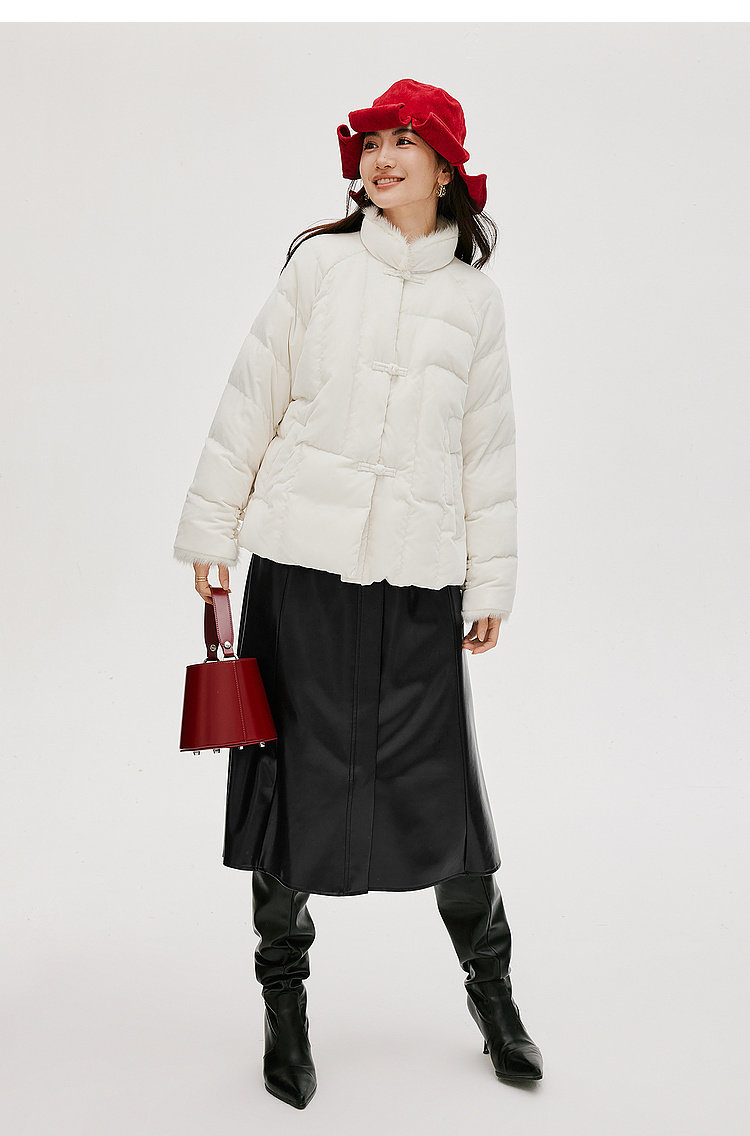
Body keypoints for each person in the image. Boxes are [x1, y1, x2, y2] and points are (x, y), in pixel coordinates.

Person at [173, 78, 542, 1109]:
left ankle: (494, 994)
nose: (381, 159)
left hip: (418, 581)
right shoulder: (321, 268)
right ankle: (284, 1004)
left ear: (445, 170)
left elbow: (487, 450)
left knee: (443, 797)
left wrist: (491, 576)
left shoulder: (474, 301)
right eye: (372, 143)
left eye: (403, 143)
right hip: (301, 569)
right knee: (289, 787)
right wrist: (211, 529)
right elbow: (251, 394)